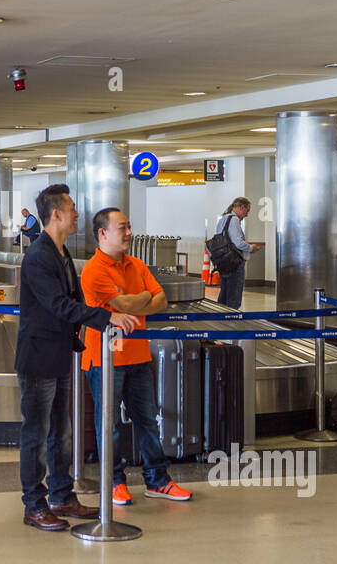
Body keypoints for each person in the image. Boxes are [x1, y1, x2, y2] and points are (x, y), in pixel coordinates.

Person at [16, 184, 138, 532]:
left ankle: (61, 495)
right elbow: (59, 304)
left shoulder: (61, 252)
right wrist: (104, 317)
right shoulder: (39, 256)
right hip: (38, 359)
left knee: (62, 433)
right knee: (36, 434)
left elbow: (71, 299)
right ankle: (34, 505)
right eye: (71, 208)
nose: (76, 213)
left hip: (58, 355)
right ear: (56, 214)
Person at [81, 208, 193, 505]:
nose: (129, 232)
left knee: (148, 420)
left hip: (138, 356)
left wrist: (133, 303)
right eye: (122, 228)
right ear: (103, 233)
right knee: (110, 425)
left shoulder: (137, 265)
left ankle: (158, 480)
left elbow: (161, 300)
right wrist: (140, 298)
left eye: (129, 227)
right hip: (104, 359)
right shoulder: (94, 270)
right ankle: (114, 482)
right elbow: (125, 301)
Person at [214, 197, 260, 309]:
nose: (247, 215)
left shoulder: (223, 219)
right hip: (234, 263)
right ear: (241, 207)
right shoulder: (234, 220)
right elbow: (238, 242)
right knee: (233, 298)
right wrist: (251, 248)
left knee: (224, 295)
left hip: (223, 262)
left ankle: (220, 321)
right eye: (247, 211)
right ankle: (231, 323)